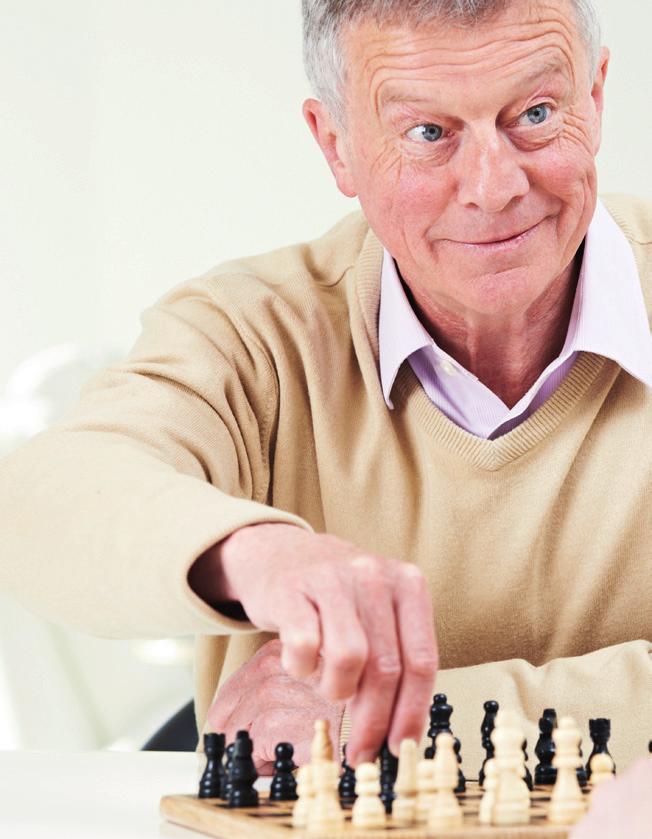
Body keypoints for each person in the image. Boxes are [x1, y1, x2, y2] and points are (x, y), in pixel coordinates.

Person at [0, 0, 650, 820]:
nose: (494, 187)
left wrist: (388, 722)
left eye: (536, 114)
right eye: (428, 133)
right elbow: (42, 500)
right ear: (336, 146)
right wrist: (256, 553)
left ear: (596, 95)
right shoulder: (253, 329)